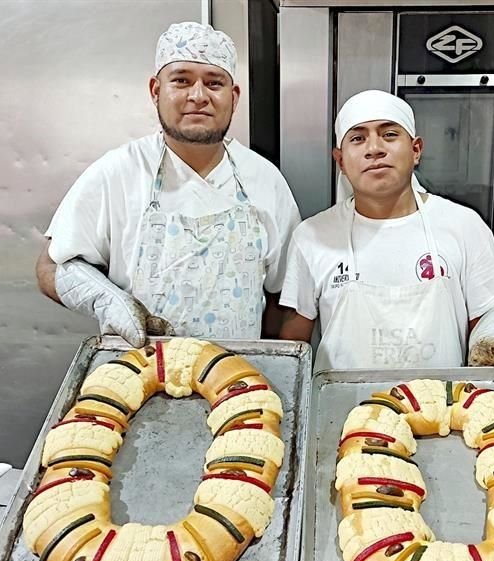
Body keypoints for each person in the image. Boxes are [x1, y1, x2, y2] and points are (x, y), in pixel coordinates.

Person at [36, 22, 300, 346]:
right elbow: (50, 266)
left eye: (214, 83)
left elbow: (282, 295)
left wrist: (269, 362)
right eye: (181, 81)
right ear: (156, 91)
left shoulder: (265, 181)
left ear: (234, 97)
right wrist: (107, 300)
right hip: (137, 375)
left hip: (234, 379)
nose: (198, 96)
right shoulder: (119, 172)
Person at [278, 90, 494, 380]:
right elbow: (294, 345)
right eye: (358, 138)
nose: (374, 149)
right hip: (342, 416)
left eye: (389, 134)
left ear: (416, 150)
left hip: (439, 414)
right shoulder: (312, 237)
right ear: (341, 161)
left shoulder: (463, 226)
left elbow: (490, 308)